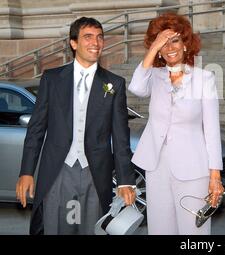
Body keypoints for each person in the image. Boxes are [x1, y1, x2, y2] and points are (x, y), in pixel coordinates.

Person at [16, 17, 136, 235]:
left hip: (95, 173)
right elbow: (36, 129)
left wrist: (126, 181)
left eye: (100, 37)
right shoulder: (52, 79)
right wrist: (26, 171)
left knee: (91, 230)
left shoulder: (114, 83)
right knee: (54, 229)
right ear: (73, 43)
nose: (96, 43)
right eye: (88, 37)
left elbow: (121, 137)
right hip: (58, 171)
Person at [128, 12, 224, 235]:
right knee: (160, 230)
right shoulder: (154, 75)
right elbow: (136, 88)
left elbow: (211, 130)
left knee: (194, 232)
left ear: (185, 44)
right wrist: (153, 47)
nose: (169, 47)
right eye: (163, 42)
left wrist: (215, 176)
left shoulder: (204, 78)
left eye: (174, 40)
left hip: (193, 169)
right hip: (156, 167)